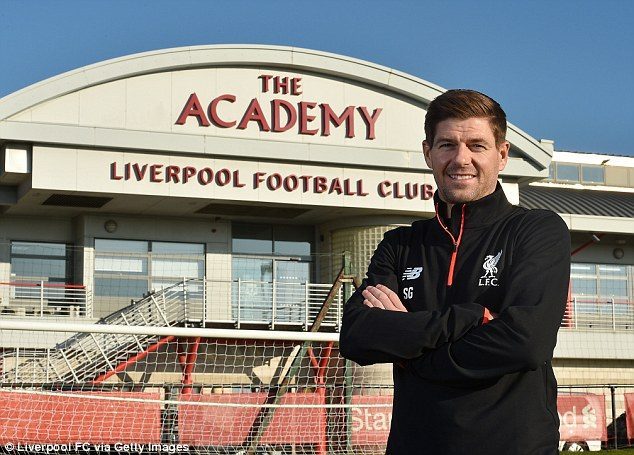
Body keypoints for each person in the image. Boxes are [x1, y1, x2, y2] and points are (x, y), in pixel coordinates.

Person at [339, 89, 570, 455]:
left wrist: (412, 352)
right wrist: (470, 318)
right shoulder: (401, 244)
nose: (461, 159)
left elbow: (526, 343)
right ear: (428, 153)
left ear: (502, 155)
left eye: (477, 145)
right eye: (447, 145)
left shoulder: (535, 231)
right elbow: (356, 336)